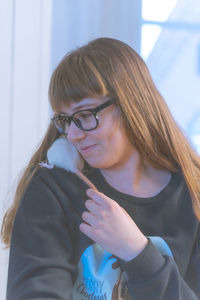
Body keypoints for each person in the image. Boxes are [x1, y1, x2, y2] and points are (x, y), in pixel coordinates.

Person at [1, 37, 200, 300]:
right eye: (66, 120)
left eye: (84, 116)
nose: (72, 134)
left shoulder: (193, 193)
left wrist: (138, 252)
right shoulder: (52, 190)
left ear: (132, 105)